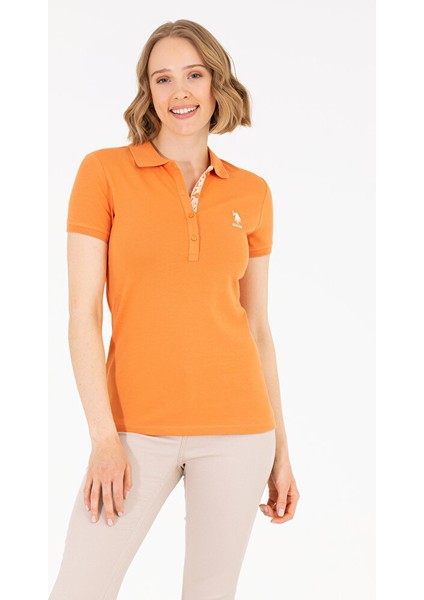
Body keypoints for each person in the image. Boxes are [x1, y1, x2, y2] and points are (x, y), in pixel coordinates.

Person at [49, 18, 300, 600]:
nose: (179, 92)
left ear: (217, 84)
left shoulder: (252, 192)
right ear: (148, 90)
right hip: (134, 431)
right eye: (163, 79)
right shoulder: (104, 172)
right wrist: (104, 439)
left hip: (240, 430)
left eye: (194, 75)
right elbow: (83, 316)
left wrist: (282, 450)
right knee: (79, 588)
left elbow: (257, 326)